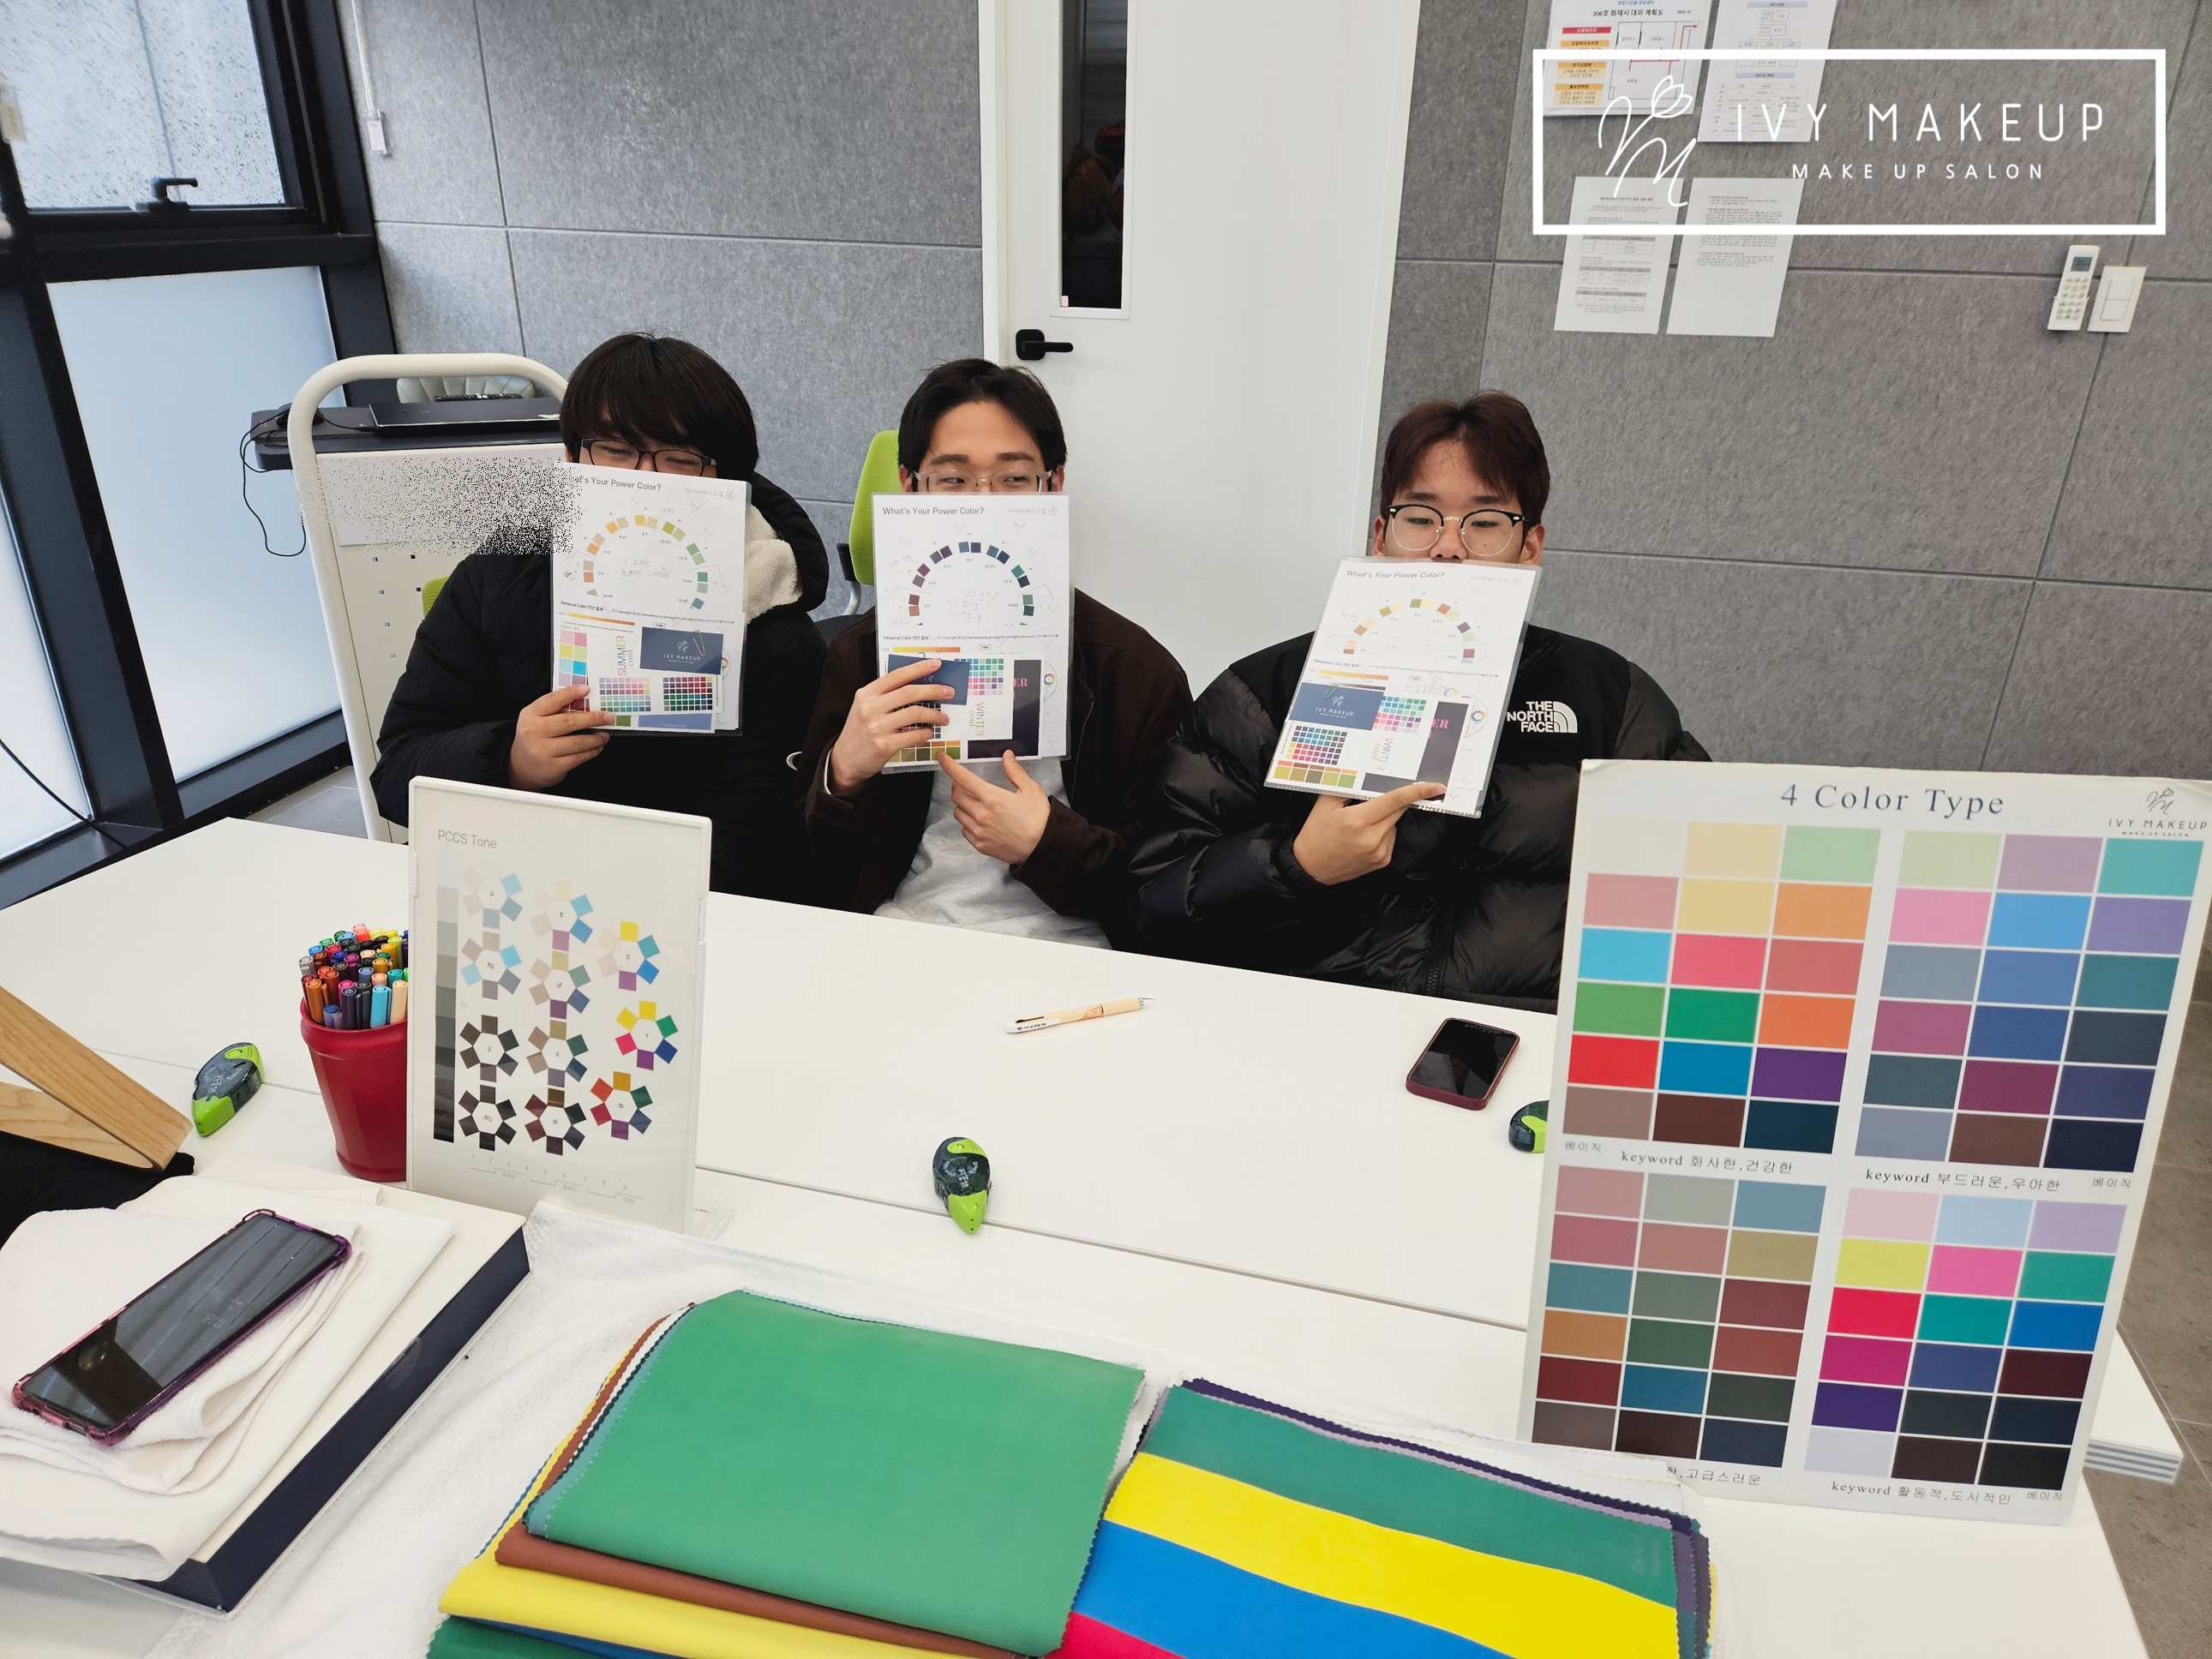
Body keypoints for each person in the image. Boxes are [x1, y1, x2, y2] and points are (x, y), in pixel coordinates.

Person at [1126, 392, 1707, 1007]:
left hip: (1528, 1030)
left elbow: (1702, 893)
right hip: (1316, 1024)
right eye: (1420, 518)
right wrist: (1297, 864)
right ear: (1381, 537)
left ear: (1531, 547)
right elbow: (1147, 906)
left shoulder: (1611, 696)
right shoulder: (1266, 689)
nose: (1448, 546)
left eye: (1485, 522)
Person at [372, 333, 827, 901]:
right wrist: (510, 759)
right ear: (572, 458)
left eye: (681, 458)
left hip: (666, 911)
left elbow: (748, 849)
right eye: (615, 450)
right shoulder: (498, 577)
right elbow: (397, 778)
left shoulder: (774, 629)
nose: (645, 479)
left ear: (728, 483)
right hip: (503, 890)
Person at [798, 358, 1190, 947]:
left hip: (1078, 948)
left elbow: (1167, 890)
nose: (984, 505)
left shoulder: (1134, 673)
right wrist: (841, 775)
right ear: (910, 486)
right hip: (899, 935)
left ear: (1054, 485)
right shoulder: (859, 656)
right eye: (953, 480)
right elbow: (806, 867)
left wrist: (1047, 844)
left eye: (1013, 479)